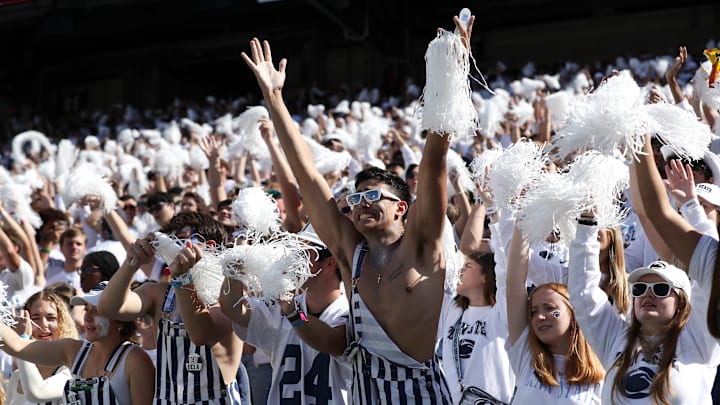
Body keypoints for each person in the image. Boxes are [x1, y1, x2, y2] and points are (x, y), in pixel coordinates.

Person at [240, 12, 474, 401]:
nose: (361, 204)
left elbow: (433, 162)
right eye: (356, 197)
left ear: (402, 208)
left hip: (421, 395)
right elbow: (308, 175)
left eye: (373, 196)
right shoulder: (353, 254)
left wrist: (452, 73)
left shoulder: (424, 244)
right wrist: (275, 100)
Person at [569, 212, 720, 403]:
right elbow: (583, 293)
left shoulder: (698, 340)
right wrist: (587, 224)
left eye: (660, 288)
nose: (648, 294)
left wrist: (692, 208)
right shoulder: (616, 338)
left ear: (682, 301)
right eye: (640, 289)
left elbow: (713, 273)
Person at [99, 211, 245, 404]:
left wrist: (183, 279)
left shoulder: (228, 294)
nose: (175, 249)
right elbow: (109, 308)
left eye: (182, 240)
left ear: (209, 247)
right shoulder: (160, 293)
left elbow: (201, 334)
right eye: (172, 241)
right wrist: (132, 262)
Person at [218, 223, 352, 404]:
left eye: (304, 253)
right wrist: (233, 271)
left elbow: (332, 340)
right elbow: (233, 308)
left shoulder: (347, 311)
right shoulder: (287, 305)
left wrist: (294, 314)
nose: (295, 260)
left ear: (330, 262)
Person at [0, 282, 155, 405]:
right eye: (86, 309)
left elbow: (37, 392)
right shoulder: (74, 350)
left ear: (120, 317)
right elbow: (19, 346)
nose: (87, 317)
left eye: (96, 309)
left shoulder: (135, 360)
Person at [506, 224, 604, 404]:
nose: (540, 317)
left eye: (550, 308)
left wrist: (587, 223)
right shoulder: (526, 356)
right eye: (533, 311)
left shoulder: (602, 368)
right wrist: (523, 219)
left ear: (573, 313)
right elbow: (514, 282)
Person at [437, 251, 513, 404]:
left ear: (485, 276)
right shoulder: (452, 310)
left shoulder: (500, 313)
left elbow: (506, 272)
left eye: (468, 266)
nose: (461, 270)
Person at [5, 290, 78, 405]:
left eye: (51, 318)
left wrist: (22, 340)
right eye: (36, 318)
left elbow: (37, 393)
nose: (43, 324)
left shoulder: (71, 371)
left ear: (62, 322)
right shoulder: (17, 376)